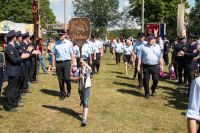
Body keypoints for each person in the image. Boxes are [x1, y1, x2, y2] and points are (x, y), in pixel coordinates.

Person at [4, 30, 30, 111]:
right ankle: (9, 105)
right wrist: (22, 57)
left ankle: (14, 103)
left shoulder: (13, 46)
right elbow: (13, 60)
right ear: (13, 38)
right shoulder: (9, 47)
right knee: (11, 89)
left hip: (16, 70)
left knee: (16, 88)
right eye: (15, 36)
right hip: (12, 71)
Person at [138, 34, 163, 99]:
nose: (150, 40)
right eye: (149, 38)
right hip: (146, 66)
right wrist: (138, 66)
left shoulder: (158, 47)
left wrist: (161, 65)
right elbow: (140, 57)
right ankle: (147, 92)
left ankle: (153, 88)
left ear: (155, 39)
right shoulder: (143, 46)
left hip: (155, 66)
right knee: (146, 80)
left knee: (156, 79)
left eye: (151, 39)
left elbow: (160, 57)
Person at [52, 30, 74, 100]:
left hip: (67, 62)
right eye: (59, 35)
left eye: (61, 35)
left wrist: (73, 63)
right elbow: (53, 54)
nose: (60, 36)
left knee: (67, 78)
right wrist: (53, 65)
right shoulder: (56, 44)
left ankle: (69, 89)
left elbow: (72, 54)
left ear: (65, 35)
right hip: (58, 63)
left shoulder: (69, 43)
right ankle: (62, 94)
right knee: (60, 79)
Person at [71, 58, 92, 127]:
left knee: (86, 102)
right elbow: (72, 79)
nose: (82, 64)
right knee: (83, 102)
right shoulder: (78, 71)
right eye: (81, 63)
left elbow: (90, 68)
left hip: (87, 88)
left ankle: (84, 119)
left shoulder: (87, 70)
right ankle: (84, 111)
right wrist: (78, 78)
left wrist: (84, 62)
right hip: (80, 89)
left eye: (83, 63)